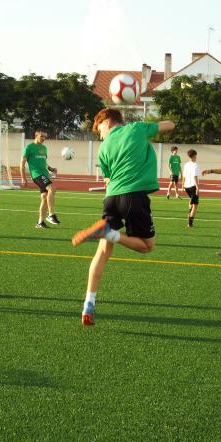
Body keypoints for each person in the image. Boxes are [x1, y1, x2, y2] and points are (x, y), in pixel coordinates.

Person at [71, 108, 175, 326]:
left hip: (111, 199)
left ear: (107, 121)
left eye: (99, 128)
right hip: (134, 196)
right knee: (147, 246)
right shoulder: (137, 129)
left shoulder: (104, 148)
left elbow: (108, 181)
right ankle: (109, 233)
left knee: (102, 251)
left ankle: (88, 304)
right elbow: (170, 125)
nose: (99, 135)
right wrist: (153, 126)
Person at [20, 130, 60, 228]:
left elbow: (44, 161)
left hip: (45, 174)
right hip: (36, 174)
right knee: (52, 188)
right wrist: (23, 178)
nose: (43, 139)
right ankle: (51, 215)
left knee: (44, 197)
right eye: (41, 136)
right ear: (36, 135)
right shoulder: (29, 148)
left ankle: (40, 222)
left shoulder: (44, 148)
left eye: (45, 137)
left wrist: (50, 168)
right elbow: (22, 164)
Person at [182, 149, 200, 227]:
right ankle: (190, 222)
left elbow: (184, 176)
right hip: (193, 186)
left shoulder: (186, 164)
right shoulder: (195, 165)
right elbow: (195, 176)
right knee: (195, 205)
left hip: (186, 186)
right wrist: (197, 187)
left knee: (191, 200)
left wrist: (182, 186)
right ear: (194, 155)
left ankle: (189, 212)